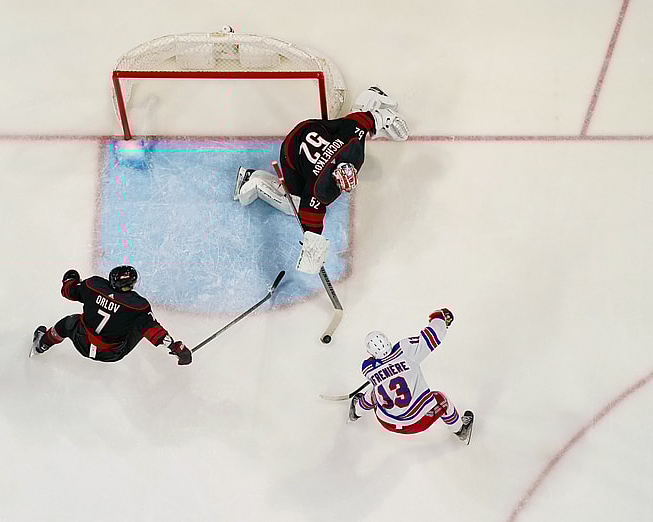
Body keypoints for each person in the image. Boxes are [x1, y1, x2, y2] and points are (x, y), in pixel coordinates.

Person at [233, 86, 409, 273]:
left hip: (311, 128)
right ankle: (252, 179)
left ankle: (371, 96)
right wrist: (312, 250)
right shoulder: (319, 187)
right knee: (292, 204)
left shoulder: (351, 146)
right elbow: (309, 214)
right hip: (292, 150)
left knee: (344, 125)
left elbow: (360, 120)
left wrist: (383, 117)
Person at [348, 308, 474, 443]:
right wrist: (440, 318)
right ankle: (461, 430)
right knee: (442, 400)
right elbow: (432, 337)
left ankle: (355, 412)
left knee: (373, 393)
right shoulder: (405, 350)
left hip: (386, 421)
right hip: (417, 422)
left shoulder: (367, 368)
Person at [30, 265, 192, 366]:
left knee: (67, 323)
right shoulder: (138, 305)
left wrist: (70, 279)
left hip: (82, 341)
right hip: (112, 354)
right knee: (143, 324)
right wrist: (177, 348)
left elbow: (68, 292)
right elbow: (154, 331)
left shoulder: (93, 285)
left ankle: (41, 344)